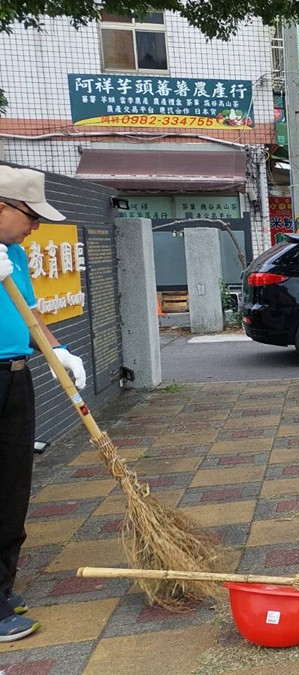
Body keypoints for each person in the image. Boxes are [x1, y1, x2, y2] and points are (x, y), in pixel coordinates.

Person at [0, 166, 87, 642]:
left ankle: (3, 586)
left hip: (16, 376)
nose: (35, 227)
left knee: (13, 487)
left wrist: (60, 352)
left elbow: (30, 314)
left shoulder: (14, 253)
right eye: (30, 217)